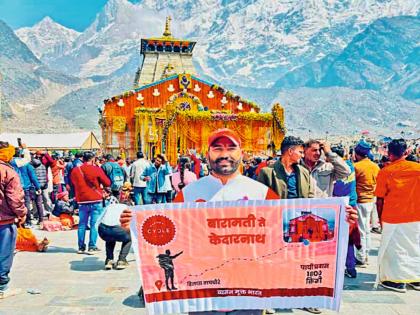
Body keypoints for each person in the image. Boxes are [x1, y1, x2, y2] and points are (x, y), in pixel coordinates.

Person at [374, 139, 420, 293]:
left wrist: (380, 219)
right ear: (406, 152)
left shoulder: (386, 172)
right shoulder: (417, 168)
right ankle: (416, 279)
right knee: (414, 247)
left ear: (389, 153)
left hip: (393, 216)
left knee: (393, 250)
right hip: (416, 216)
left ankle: (396, 281)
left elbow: (380, 199)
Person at [0, 142, 27, 299]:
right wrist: (22, 213)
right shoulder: (8, 172)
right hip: (3, 221)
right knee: (4, 253)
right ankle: (2, 287)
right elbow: (15, 198)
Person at [70, 151, 111, 254]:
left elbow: (73, 183)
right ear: (92, 159)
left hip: (82, 200)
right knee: (94, 224)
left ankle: (81, 247)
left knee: (82, 224)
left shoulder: (75, 170)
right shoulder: (96, 169)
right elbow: (107, 182)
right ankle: (92, 246)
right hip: (95, 199)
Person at [331, 146, 360, 278]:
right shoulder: (350, 166)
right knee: (348, 239)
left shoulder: (333, 168)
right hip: (351, 204)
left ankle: (339, 267)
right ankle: (351, 267)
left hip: (338, 206)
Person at [353, 141, 380, 267]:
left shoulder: (356, 167)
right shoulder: (375, 166)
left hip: (360, 201)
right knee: (367, 230)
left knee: (361, 230)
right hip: (371, 200)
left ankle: (361, 257)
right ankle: (366, 255)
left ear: (357, 153)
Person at [98, 188, 132, 270]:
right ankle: (122, 260)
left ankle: (109, 260)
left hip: (103, 230)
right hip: (118, 229)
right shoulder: (128, 208)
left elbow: (100, 219)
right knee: (130, 238)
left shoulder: (110, 206)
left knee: (110, 238)